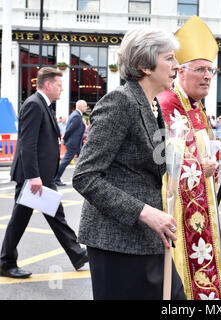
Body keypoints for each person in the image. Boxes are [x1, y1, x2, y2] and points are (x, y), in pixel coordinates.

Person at [72, 26, 186, 300]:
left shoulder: (152, 104)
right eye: (169, 58)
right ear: (144, 66)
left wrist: (185, 153)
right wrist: (145, 212)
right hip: (117, 243)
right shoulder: (120, 102)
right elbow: (85, 176)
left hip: (146, 240)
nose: (177, 65)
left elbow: (152, 166)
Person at [158, 16, 221, 300]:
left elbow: (202, 143)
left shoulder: (197, 106)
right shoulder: (167, 103)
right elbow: (163, 156)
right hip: (179, 210)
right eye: (201, 70)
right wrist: (197, 166)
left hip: (201, 203)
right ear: (181, 72)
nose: (207, 76)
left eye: (211, 70)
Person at [0, 67, 88, 279]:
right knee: (19, 220)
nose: (61, 89)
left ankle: (78, 255)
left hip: (42, 177)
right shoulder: (34, 104)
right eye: (58, 85)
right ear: (47, 85)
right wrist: (33, 177)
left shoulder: (43, 105)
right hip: (34, 178)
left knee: (56, 216)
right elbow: (27, 144)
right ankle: (5, 262)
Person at [54, 100, 87, 186]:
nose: (86, 108)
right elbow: (70, 130)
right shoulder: (76, 116)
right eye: (85, 106)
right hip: (73, 144)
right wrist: (65, 138)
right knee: (66, 161)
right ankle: (56, 178)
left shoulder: (77, 115)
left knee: (82, 160)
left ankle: (82, 178)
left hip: (76, 143)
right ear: (79, 106)